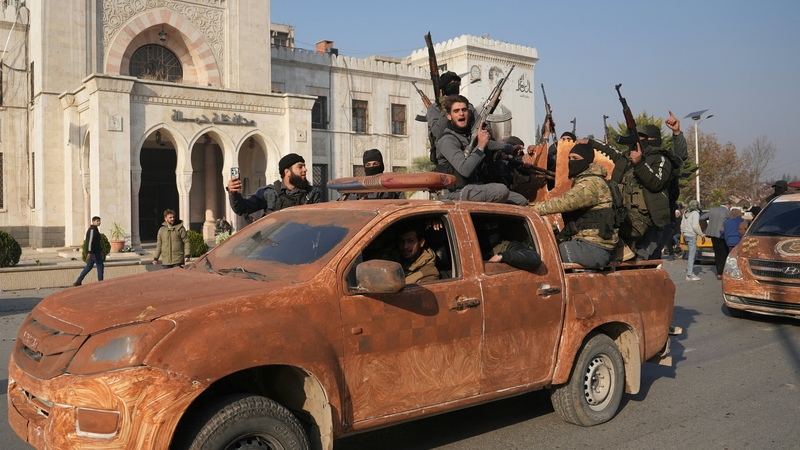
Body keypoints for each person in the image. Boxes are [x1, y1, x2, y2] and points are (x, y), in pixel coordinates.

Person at [530, 143, 618, 269]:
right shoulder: (586, 181)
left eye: (575, 158)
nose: (571, 162)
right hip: (587, 244)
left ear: (587, 161)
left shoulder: (591, 183)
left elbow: (563, 203)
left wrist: (529, 210)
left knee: (551, 254)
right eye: (569, 158)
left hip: (594, 248)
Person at [434, 95, 527, 205]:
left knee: (521, 201)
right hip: (456, 192)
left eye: (464, 110)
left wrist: (510, 148)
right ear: (449, 116)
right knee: (501, 191)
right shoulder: (447, 140)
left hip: (475, 187)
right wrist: (480, 146)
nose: (461, 113)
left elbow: (489, 143)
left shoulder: (467, 135)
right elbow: (465, 170)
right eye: (456, 111)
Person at [228, 153, 322, 217]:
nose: (305, 169)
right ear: (287, 172)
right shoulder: (269, 193)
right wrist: (233, 194)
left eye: (304, 166)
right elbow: (242, 208)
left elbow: (322, 220)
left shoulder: (312, 193)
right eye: (300, 167)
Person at [702, 201, 731, 280]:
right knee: (724, 253)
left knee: (717, 253)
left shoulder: (712, 210)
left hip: (712, 234)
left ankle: (718, 272)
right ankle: (722, 272)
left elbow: (701, 218)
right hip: (722, 235)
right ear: (727, 205)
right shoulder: (727, 212)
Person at [73, 216, 105, 286]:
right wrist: (89, 252)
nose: (99, 222)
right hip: (94, 252)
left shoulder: (95, 229)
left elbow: (96, 242)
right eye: (97, 221)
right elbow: (90, 241)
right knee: (100, 265)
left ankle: (78, 281)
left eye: (99, 221)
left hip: (95, 251)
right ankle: (101, 282)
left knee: (88, 267)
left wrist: (101, 249)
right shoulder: (92, 230)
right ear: (93, 222)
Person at [681, 200, 705, 281]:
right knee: (692, 255)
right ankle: (690, 274)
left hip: (686, 234)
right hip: (691, 235)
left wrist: (683, 234)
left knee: (690, 254)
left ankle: (689, 271)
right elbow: (695, 226)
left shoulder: (685, 213)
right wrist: (702, 234)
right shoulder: (695, 213)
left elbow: (682, 225)